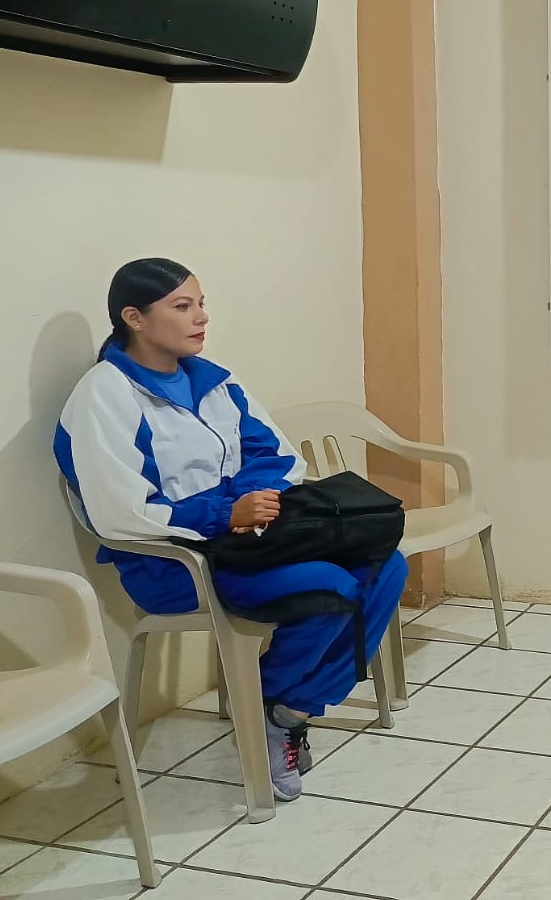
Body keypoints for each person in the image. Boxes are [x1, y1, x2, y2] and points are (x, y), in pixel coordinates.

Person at [55, 258, 407, 803]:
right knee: (332, 588)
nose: (201, 317)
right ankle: (274, 704)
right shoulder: (105, 395)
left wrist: (250, 504)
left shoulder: (214, 380)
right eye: (182, 306)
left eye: (201, 304)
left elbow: (277, 454)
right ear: (134, 318)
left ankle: (287, 709)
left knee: (387, 565)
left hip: (247, 543)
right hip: (172, 564)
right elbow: (119, 511)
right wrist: (225, 514)